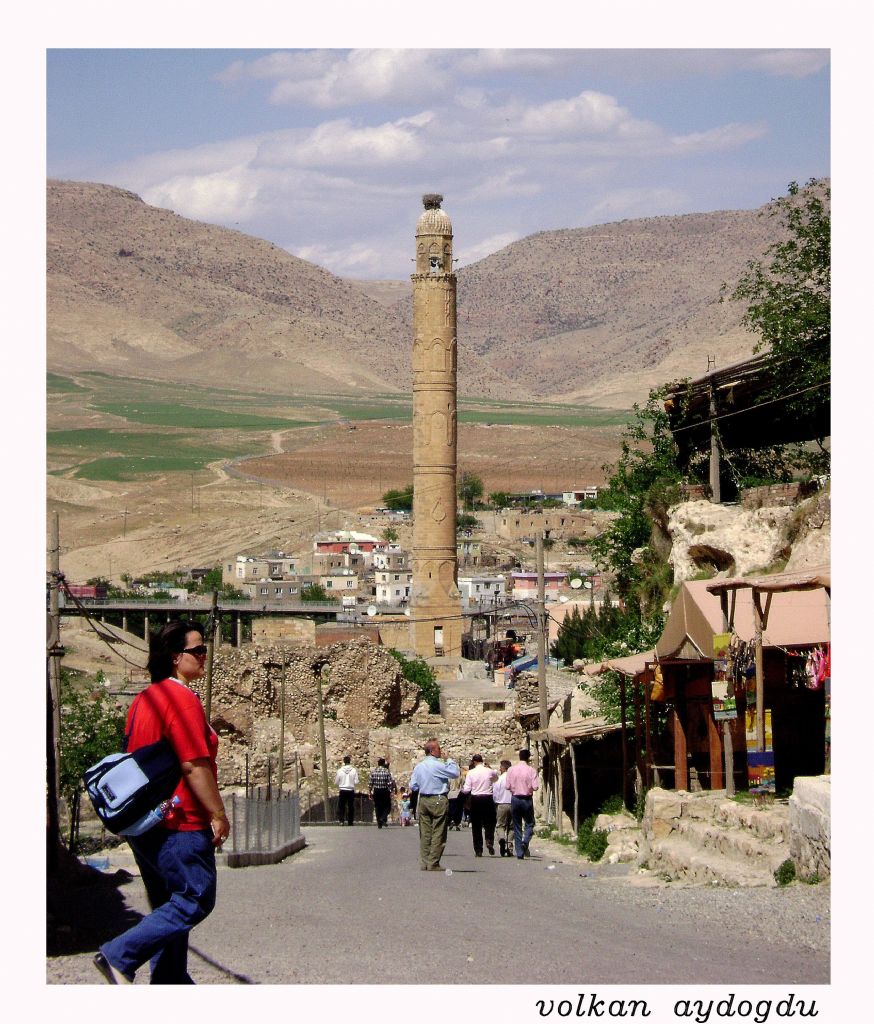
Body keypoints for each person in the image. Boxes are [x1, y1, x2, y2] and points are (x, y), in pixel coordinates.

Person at [94, 620, 229, 984]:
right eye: (197, 650)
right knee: (196, 898)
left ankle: (169, 984)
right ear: (175, 657)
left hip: (147, 824)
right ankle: (118, 956)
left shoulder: (144, 699)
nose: (205, 656)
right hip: (179, 822)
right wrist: (217, 813)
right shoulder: (181, 699)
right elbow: (194, 764)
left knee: (169, 908)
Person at [409, 738, 459, 870]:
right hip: (438, 798)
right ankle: (434, 862)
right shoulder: (438, 765)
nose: (441, 751)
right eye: (438, 749)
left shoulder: (419, 766)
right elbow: (454, 773)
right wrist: (449, 760)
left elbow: (413, 786)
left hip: (424, 799)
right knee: (439, 831)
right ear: (432, 751)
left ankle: (425, 862)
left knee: (425, 832)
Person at [504, 749, 540, 860]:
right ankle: (525, 842)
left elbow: (507, 786)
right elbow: (536, 787)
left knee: (517, 826)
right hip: (527, 799)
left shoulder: (511, 770)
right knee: (529, 823)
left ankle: (519, 852)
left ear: (519, 757)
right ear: (528, 758)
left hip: (515, 799)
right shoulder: (531, 771)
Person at [461, 754, 498, 856]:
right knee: (490, 822)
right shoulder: (489, 771)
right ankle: (489, 840)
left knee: (476, 825)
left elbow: (467, 789)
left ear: (474, 762)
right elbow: (495, 779)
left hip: (476, 799)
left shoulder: (471, 773)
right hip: (488, 798)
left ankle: (478, 849)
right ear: (482, 761)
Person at [492, 759, 514, 856]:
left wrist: (496, 802)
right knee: (512, 827)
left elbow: (495, 793)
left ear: (503, 768)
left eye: (500, 767)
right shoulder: (513, 778)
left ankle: (501, 838)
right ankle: (509, 847)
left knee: (500, 825)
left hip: (501, 804)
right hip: (513, 804)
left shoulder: (499, 779)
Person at [368, 757, 396, 828]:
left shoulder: (374, 772)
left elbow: (371, 783)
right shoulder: (386, 771)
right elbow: (389, 783)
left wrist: (370, 791)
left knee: (377, 807)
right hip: (384, 791)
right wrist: (391, 791)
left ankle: (379, 823)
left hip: (376, 791)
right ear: (383, 764)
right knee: (387, 806)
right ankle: (383, 818)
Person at [335, 755, 359, 825]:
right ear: (350, 761)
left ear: (344, 762)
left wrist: (342, 782)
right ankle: (350, 821)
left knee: (341, 806)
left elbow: (336, 781)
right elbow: (356, 781)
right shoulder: (354, 770)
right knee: (351, 806)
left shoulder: (339, 771)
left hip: (342, 790)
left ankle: (341, 821)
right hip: (350, 790)